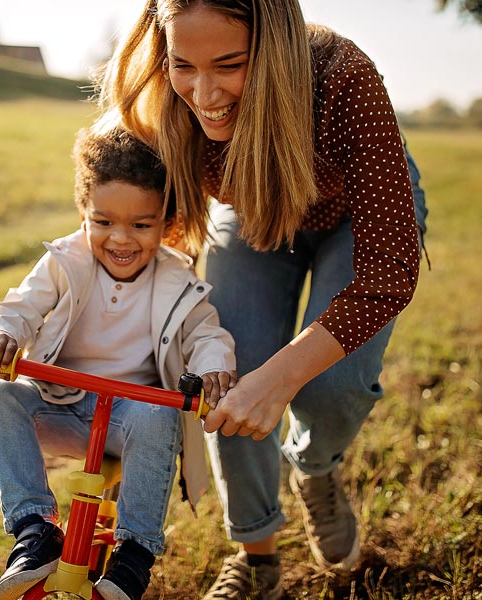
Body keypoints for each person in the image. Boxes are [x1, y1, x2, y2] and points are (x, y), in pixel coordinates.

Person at [96, 1, 428, 598]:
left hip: (353, 215)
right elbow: (133, 237)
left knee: (329, 386)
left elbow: (387, 272)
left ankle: (316, 467)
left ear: (273, 47)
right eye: (184, 65)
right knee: (226, 368)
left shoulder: (342, 78)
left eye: (230, 64)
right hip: (252, 213)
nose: (204, 92)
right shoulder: (161, 104)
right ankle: (258, 555)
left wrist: (278, 382)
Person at [0, 127, 237, 600]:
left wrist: (214, 366)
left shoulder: (176, 277)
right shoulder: (65, 261)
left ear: (165, 223)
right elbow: (21, 306)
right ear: (83, 215)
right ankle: (35, 529)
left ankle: (135, 552)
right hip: (62, 407)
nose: (121, 238)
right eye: (104, 221)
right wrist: (3, 333)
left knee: (158, 413)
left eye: (141, 224)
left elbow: (206, 333)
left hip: (130, 420)